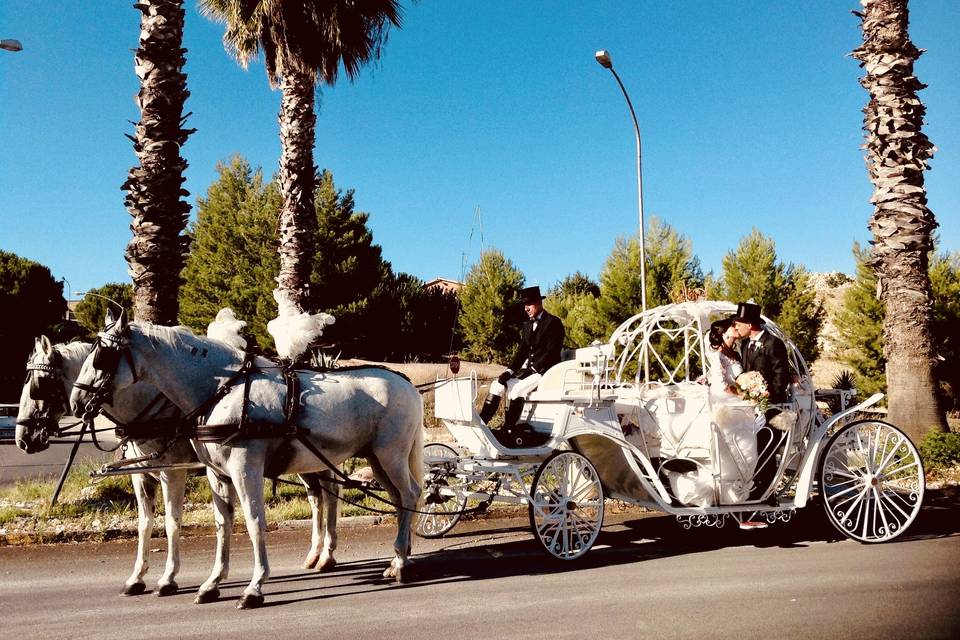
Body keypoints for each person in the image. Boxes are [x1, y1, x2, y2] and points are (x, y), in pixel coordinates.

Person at [479, 286, 565, 433]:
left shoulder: (553, 323)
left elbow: (552, 352)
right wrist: (509, 371)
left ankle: (508, 429)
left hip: (546, 372)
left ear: (539, 303)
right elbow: (522, 353)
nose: (526, 308)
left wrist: (533, 369)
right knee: (497, 385)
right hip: (530, 372)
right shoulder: (526, 326)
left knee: (517, 390)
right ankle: (481, 425)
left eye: (529, 304)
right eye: (525, 305)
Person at [729, 301, 791, 501]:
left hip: (770, 406)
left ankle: (768, 492)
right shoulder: (746, 344)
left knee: (767, 448)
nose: (736, 327)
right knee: (750, 448)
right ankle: (751, 487)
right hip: (750, 406)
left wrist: (764, 398)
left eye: (739, 323)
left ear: (750, 324)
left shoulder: (774, 344)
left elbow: (780, 378)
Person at [704, 318, 743, 396]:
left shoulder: (736, 353)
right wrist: (743, 395)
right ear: (723, 333)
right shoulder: (718, 356)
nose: (737, 327)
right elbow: (721, 385)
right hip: (725, 398)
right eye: (733, 326)